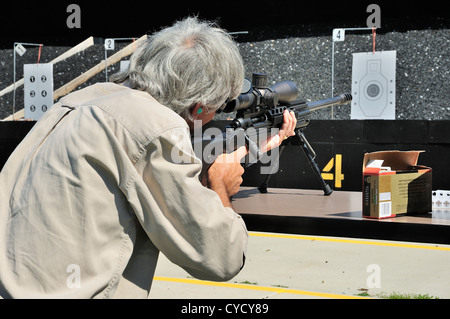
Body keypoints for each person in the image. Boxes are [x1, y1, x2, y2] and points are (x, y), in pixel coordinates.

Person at [0, 17, 296, 298]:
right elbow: (221, 258)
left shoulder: (79, 101)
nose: (216, 114)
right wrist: (219, 185)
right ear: (198, 108)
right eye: (217, 107)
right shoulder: (154, 128)